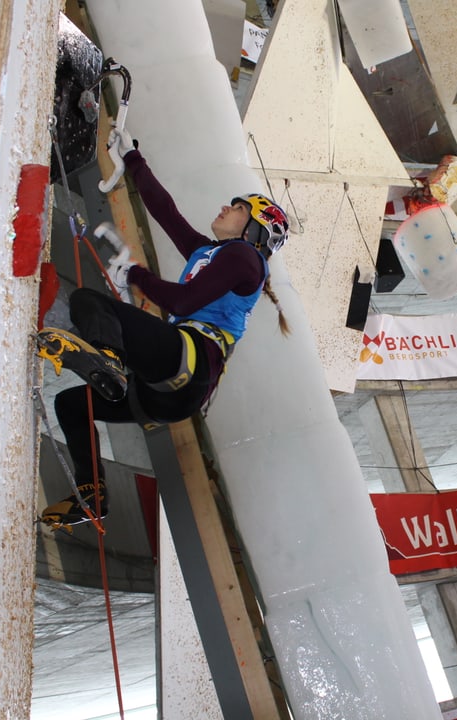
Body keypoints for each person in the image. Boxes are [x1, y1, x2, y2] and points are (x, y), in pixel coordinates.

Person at [38, 128, 290, 527]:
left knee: (89, 303)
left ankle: (106, 361)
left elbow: (182, 302)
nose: (226, 206)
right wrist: (134, 161)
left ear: (253, 229)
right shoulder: (214, 253)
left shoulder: (245, 258)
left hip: (189, 360)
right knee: (70, 405)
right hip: (168, 392)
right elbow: (166, 214)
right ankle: (91, 494)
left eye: (238, 207)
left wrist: (135, 274)